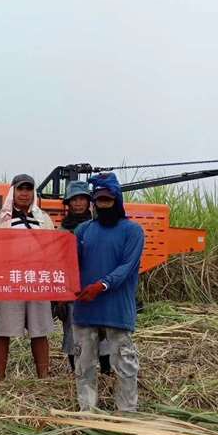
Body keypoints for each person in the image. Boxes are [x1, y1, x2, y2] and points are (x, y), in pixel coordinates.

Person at [72, 172, 145, 412]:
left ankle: (126, 413)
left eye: (108, 200)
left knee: (124, 363)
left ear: (118, 201)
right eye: (99, 200)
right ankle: (87, 411)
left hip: (116, 307)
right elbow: (71, 262)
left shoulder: (133, 231)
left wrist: (102, 285)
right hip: (85, 307)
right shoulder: (83, 230)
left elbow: (127, 266)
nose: (103, 205)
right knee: (84, 364)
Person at [0, 174, 55, 381]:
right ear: (13, 191)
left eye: (28, 189)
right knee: (2, 330)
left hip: (37, 282)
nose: (24, 193)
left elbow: (53, 250)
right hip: (8, 281)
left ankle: (43, 377)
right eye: (20, 189)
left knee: (39, 330)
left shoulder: (43, 218)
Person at [57, 180, 111, 375]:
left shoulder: (101, 227)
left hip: (96, 286)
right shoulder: (61, 231)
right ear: (68, 203)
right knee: (72, 332)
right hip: (71, 288)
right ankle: (77, 372)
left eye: (82, 199)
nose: (78, 203)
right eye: (74, 199)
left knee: (103, 331)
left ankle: (106, 372)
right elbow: (57, 263)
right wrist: (60, 296)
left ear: (89, 202)